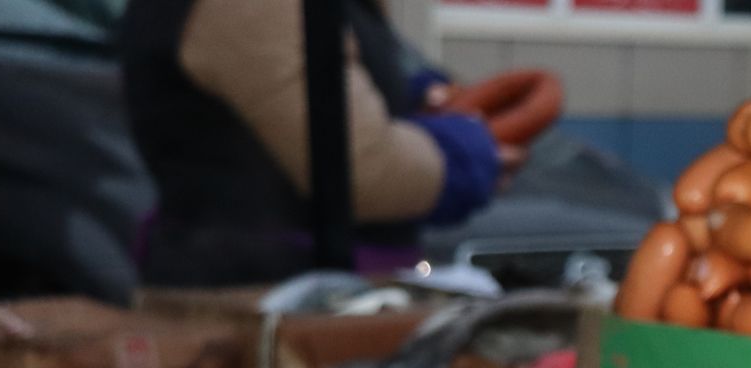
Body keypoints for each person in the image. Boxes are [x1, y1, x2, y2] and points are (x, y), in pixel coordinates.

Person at [121, 0, 521, 286]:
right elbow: (357, 166)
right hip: (258, 293)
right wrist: (466, 154)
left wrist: (413, 99)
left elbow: (330, 86)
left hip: (297, 284)